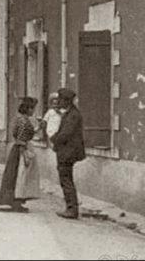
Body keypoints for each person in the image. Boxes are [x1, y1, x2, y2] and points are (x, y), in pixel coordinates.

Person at [0, 96, 42, 212]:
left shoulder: (19, 119)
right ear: (28, 109)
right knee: (20, 176)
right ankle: (16, 202)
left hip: (18, 149)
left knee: (14, 175)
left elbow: (22, 134)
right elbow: (21, 138)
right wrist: (25, 153)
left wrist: (38, 128)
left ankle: (10, 201)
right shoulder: (24, 121)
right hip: (21, 149)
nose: (33, 111)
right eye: (32, 108)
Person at [50, 87, 86, 219]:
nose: (58, 102)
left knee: (66, 180)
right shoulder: (70, 113)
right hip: (66, 151)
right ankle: (70, 207)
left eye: (60, 100)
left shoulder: (73, 115)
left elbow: (66, 134)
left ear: (67, 101)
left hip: (68, 152)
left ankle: (72, 209)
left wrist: (54, 139)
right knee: (66, 179)